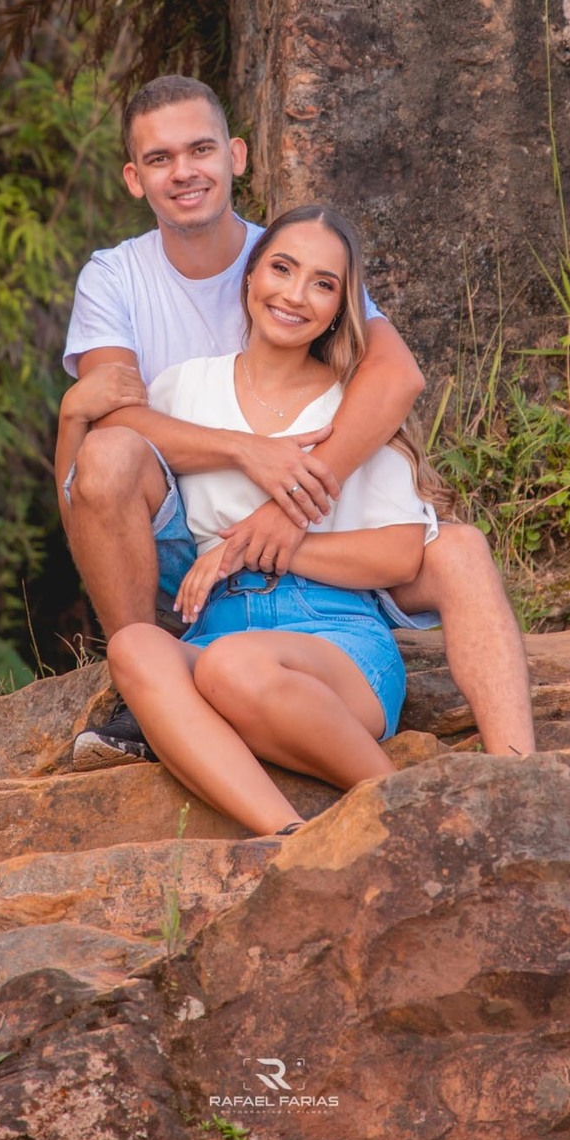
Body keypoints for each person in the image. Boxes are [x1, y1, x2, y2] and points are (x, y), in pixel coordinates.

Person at [56, 74, 534, 766]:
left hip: (318, 532)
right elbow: (117, 416)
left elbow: (396, 373)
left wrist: (292, 508)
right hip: (182, 534)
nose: (185, 172)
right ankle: (146, 690)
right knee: (109, 454)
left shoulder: (291, 256)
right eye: (161, 159)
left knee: (459, 550)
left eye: (201, 150)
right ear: (135, 178)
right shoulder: (116, 278)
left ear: (237, 156)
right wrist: (250, 454)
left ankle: (518, 770)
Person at [105, 206, 442, 835]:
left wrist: (251, 548)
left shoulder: (353, 405)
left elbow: (400, 556)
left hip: (334, 639)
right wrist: (77, 415)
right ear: (249, 276)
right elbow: (108, 456)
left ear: (342, 307)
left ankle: (399, 806)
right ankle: (286, 838)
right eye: (282, 269)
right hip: (214, 630)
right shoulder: (185, 387)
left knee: (234, 668)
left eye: (323, 283)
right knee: (135, 647)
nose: (295, 295)